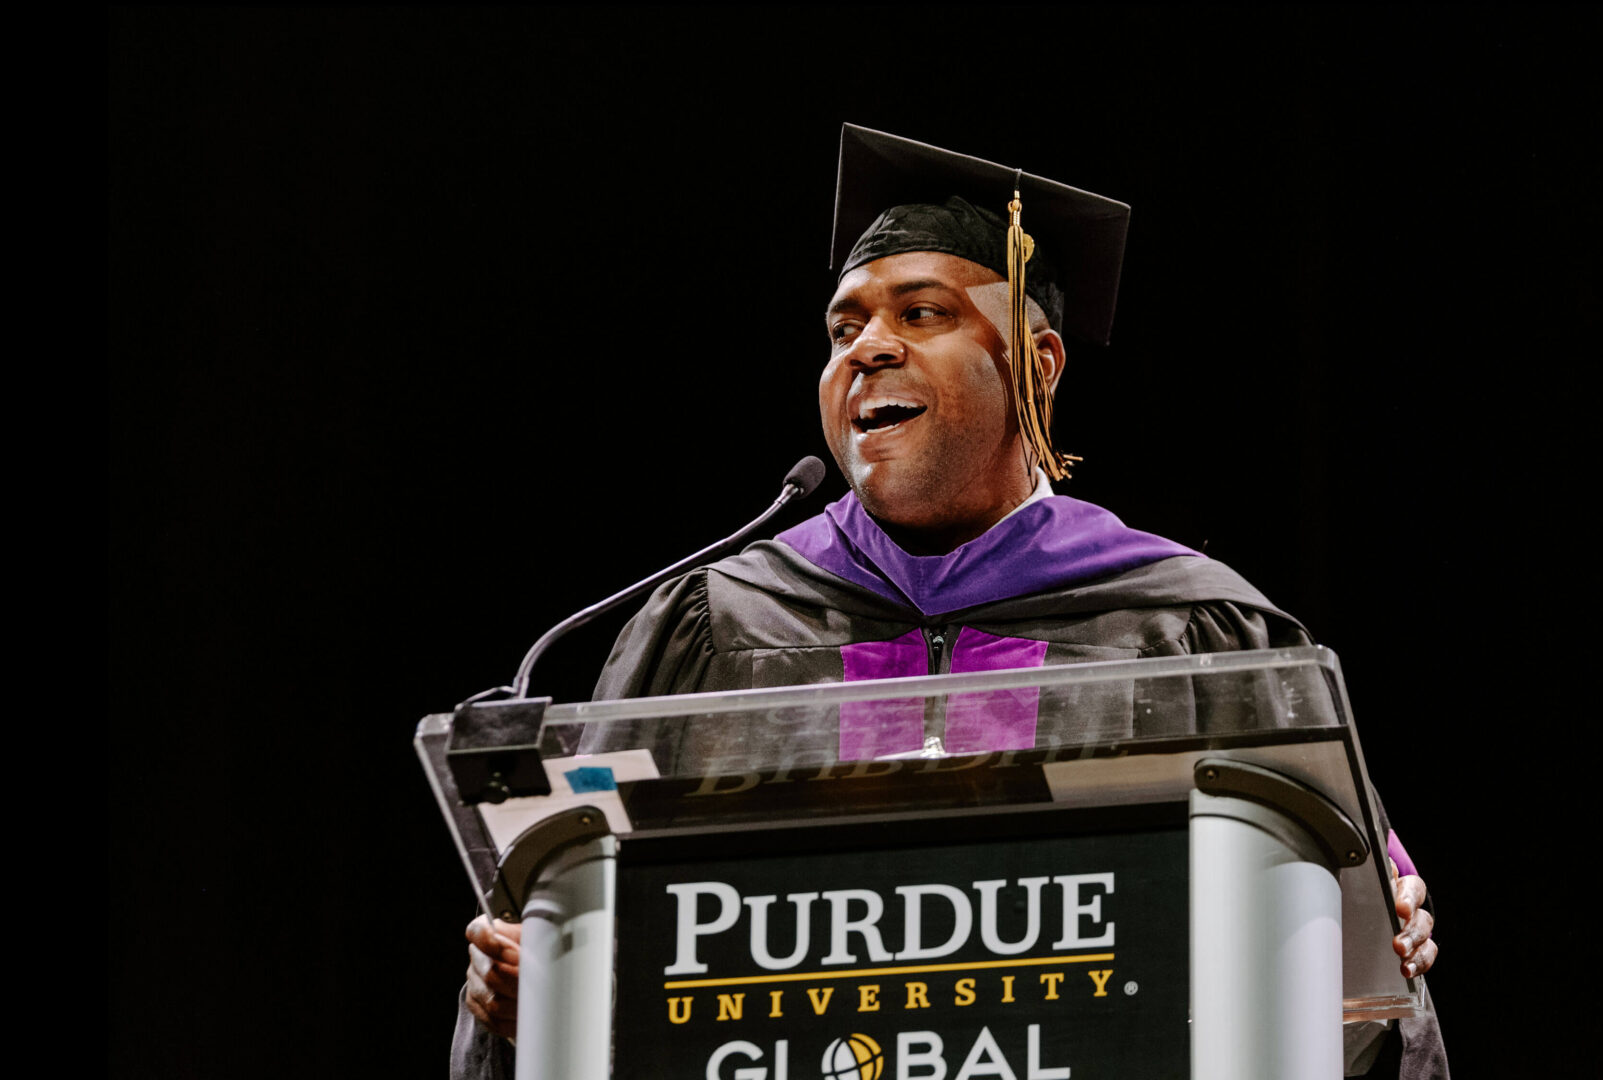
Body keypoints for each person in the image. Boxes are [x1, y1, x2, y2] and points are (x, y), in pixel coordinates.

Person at [456, 126, 1445, 1078]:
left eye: (920, 313)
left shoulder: (1188, 624)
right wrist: (523, 983)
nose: (865, 350)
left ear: (1036, 364)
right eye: (843, 328)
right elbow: (587, 933)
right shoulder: (714, 623)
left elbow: (1348, 972)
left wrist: (1372, 934)